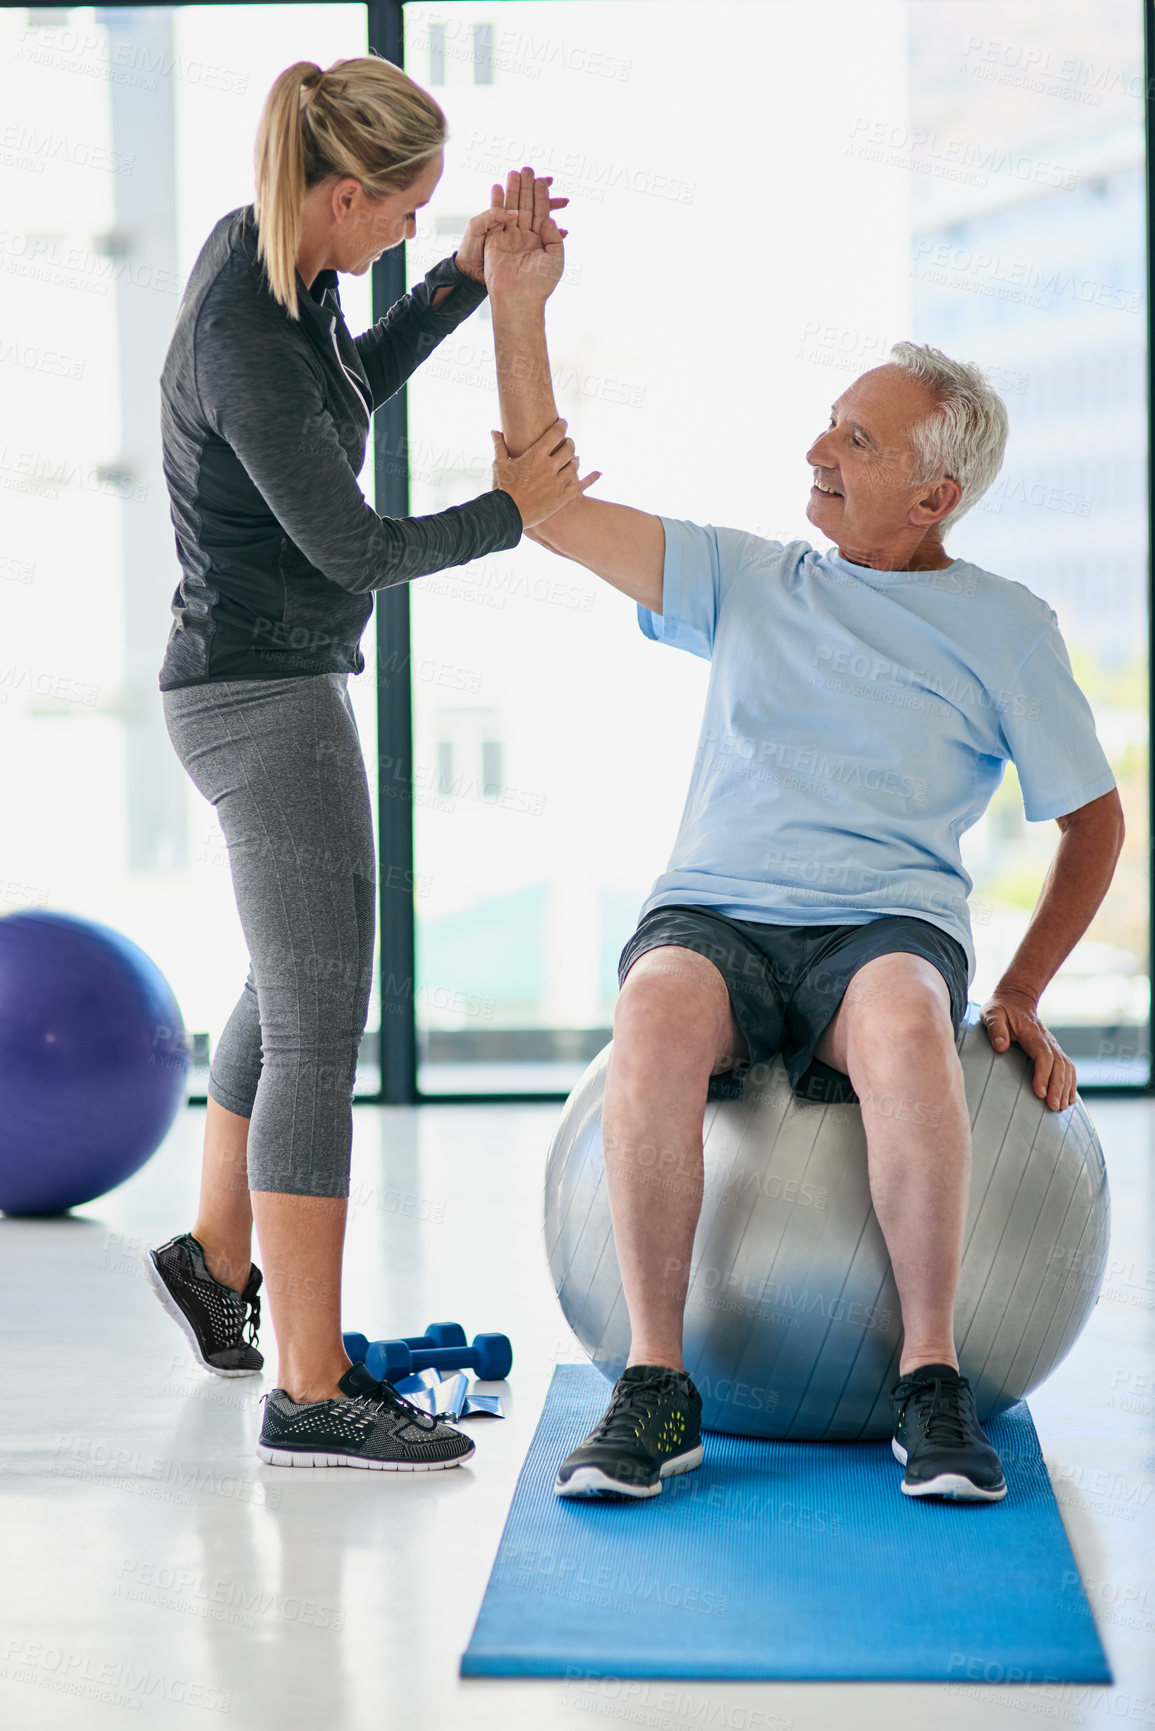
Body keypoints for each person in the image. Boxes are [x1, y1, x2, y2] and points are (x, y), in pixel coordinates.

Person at [483, 204, 1123, 1502]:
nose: (818, 449)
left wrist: (1018, 993)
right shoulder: (752, 577)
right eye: (833, 422)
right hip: (717, 912)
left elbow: (1094, 821)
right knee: (655, 1010)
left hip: (883, 926)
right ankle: (657, 1385)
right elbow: (546, 508)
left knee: (900, 1022)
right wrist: (519, 307)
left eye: (857, 439)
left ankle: (931, 1380)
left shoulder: (1005, 627)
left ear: (934, 495)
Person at [141, 57, 593, 1473]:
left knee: (301, 974)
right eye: (407, 214)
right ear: (344, 193)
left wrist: (459, 281)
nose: (406, 231)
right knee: (324, 1018)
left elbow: (349, 390)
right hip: (261, 696)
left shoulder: (277, 263)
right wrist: (510, 513)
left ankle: (221, 1260)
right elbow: (356, 547)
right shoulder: (246, 330)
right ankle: (312, 1383)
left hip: (260, 680)